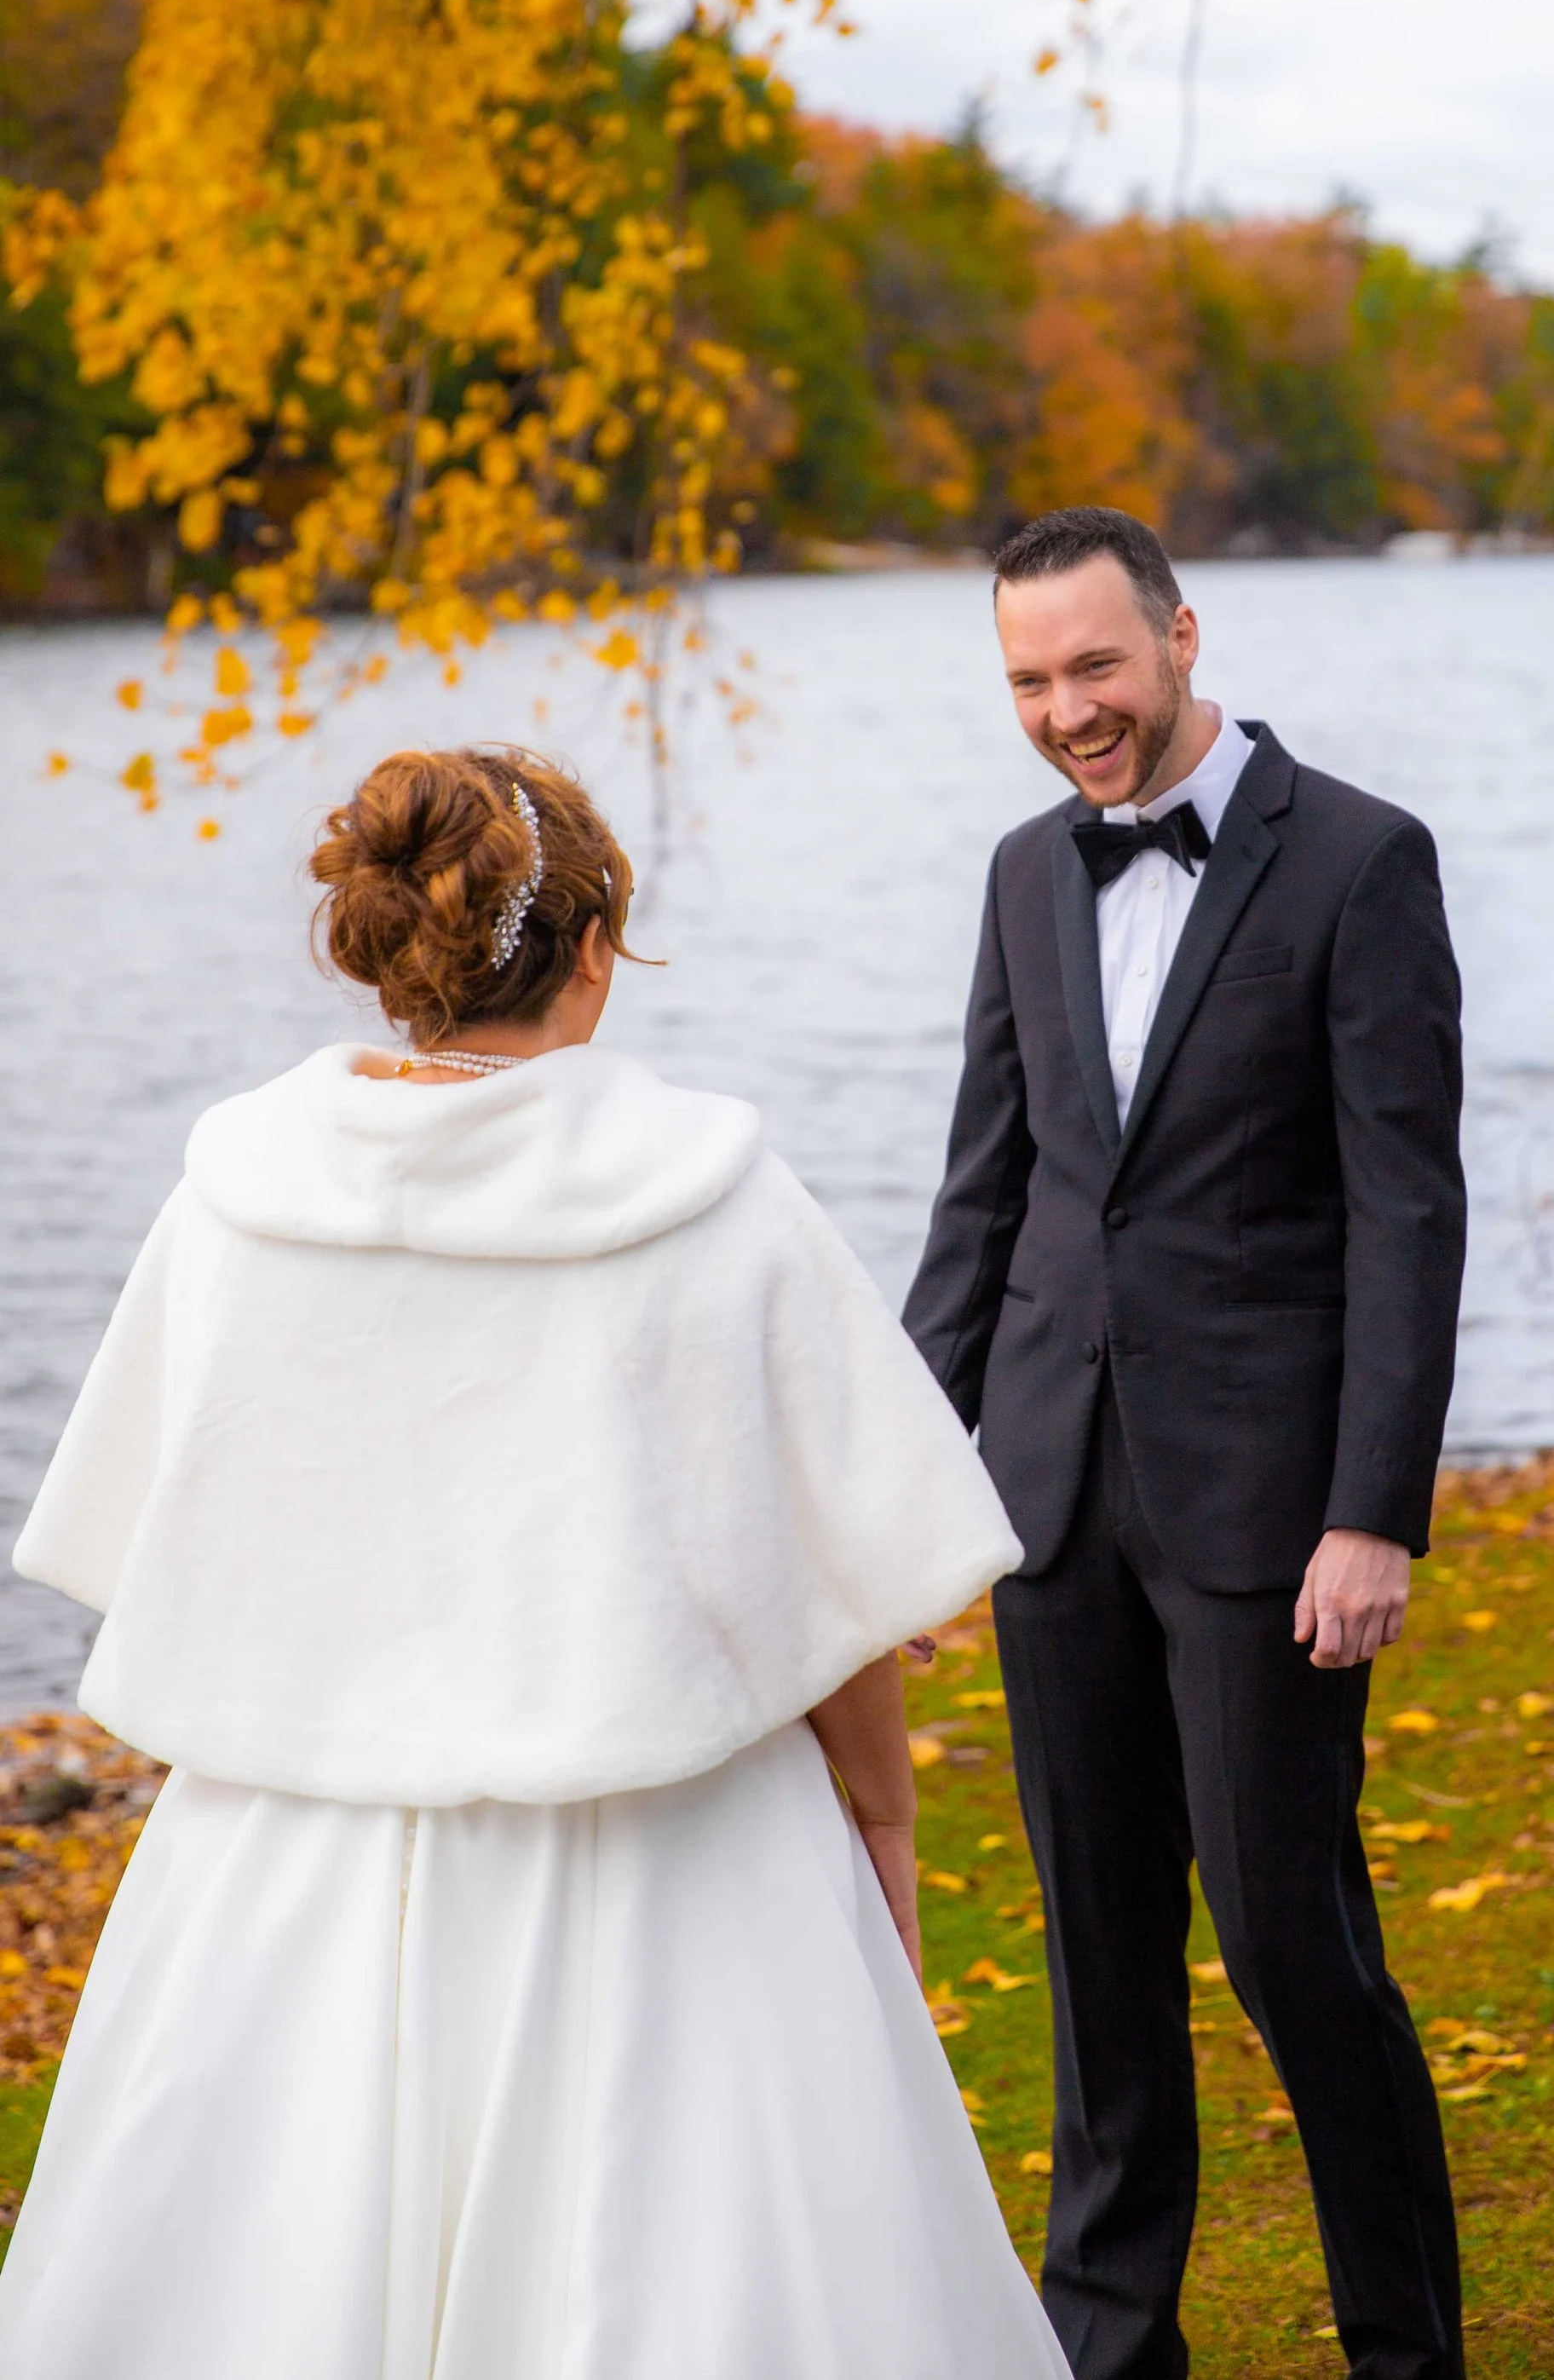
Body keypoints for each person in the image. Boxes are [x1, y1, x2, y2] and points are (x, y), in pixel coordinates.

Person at [1, 745, 1069, 2380]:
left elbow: (164, 1533)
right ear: (591, 945)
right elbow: (836, 1570)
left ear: (401, 957)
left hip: (286, 1868)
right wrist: (882, 1815)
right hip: (672, 1874)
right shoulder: (710, 1197)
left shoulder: (237, 1194)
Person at [904, 508, 1468, 2380]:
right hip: (1050, 1494)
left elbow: (1406, 1212)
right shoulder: (1016, 877)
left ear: (1178, 636)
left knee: (1291, 1948)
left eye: (1094, 666)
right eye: (1028, 681)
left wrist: (1369, 1515)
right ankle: (1109, 2349)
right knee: (1096, 1967)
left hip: (1265, 1518)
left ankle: (1403, 2350)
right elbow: (982, 1202)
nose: (1067, 710)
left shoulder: (1362, 862)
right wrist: (900, 1496)